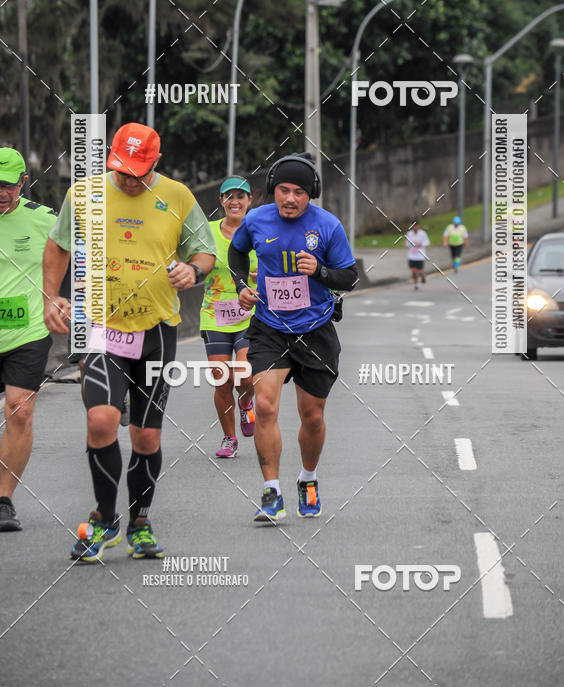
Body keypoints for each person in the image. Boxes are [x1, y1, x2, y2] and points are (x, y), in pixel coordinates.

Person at [43, 122, 216, 562]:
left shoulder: (177, 196)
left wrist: (192, 271)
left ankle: (140, 521)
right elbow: (58, 245)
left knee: (145, 438)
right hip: (101, 328)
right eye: (121, 170)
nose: (129, 179)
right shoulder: (84, 195)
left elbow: (205, 253)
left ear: (156, 162)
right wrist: (52, 296)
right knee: (101, 420)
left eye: (139, 171)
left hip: (157, 332)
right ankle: (104, 519)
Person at [228, 153, 357, 524]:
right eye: (283, 190)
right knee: (265, 405)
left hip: (316, 329)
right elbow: (237, 254)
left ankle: (307, 479)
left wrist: (320, 270)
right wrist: (241, 285)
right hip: (269, 326)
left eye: (299, 192)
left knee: (311, 416)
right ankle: (272, 492)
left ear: (310, 194)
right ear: (273, 190)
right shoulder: (255, 220)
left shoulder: (328, 226)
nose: (290, 198)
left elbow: (349, 278)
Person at [0, 148, 57, 532]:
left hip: (27, 331)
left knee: (19, 409)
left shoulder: (45, 220)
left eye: (7, 184)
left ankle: (3, 501)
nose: (1, 191)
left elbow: (84, 252)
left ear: (23, 182)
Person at [200, 176, 257, 458]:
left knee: (245, 375)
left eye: (241, 196)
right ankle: (229, 438)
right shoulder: (207, 232)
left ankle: (247, 402)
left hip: (252, 314)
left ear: (250, 201)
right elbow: (194, 259)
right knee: (221, 377)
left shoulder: (259, 230)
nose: (235, 201)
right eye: (229, 196)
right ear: (221, 201)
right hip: (215, 315)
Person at [406, 220, 430, 289]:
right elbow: (407, 244)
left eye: (416, 226)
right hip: (412, 255)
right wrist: (409, 243)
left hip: (420, 255)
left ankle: (422, 276)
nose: (414, 227)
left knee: (419, 271)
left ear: (418, 226)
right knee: (413, 271)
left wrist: (420, 244)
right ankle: (416, 284)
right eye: (413, 226)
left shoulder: (423, 233)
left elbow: (427, 242)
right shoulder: (409, 234)